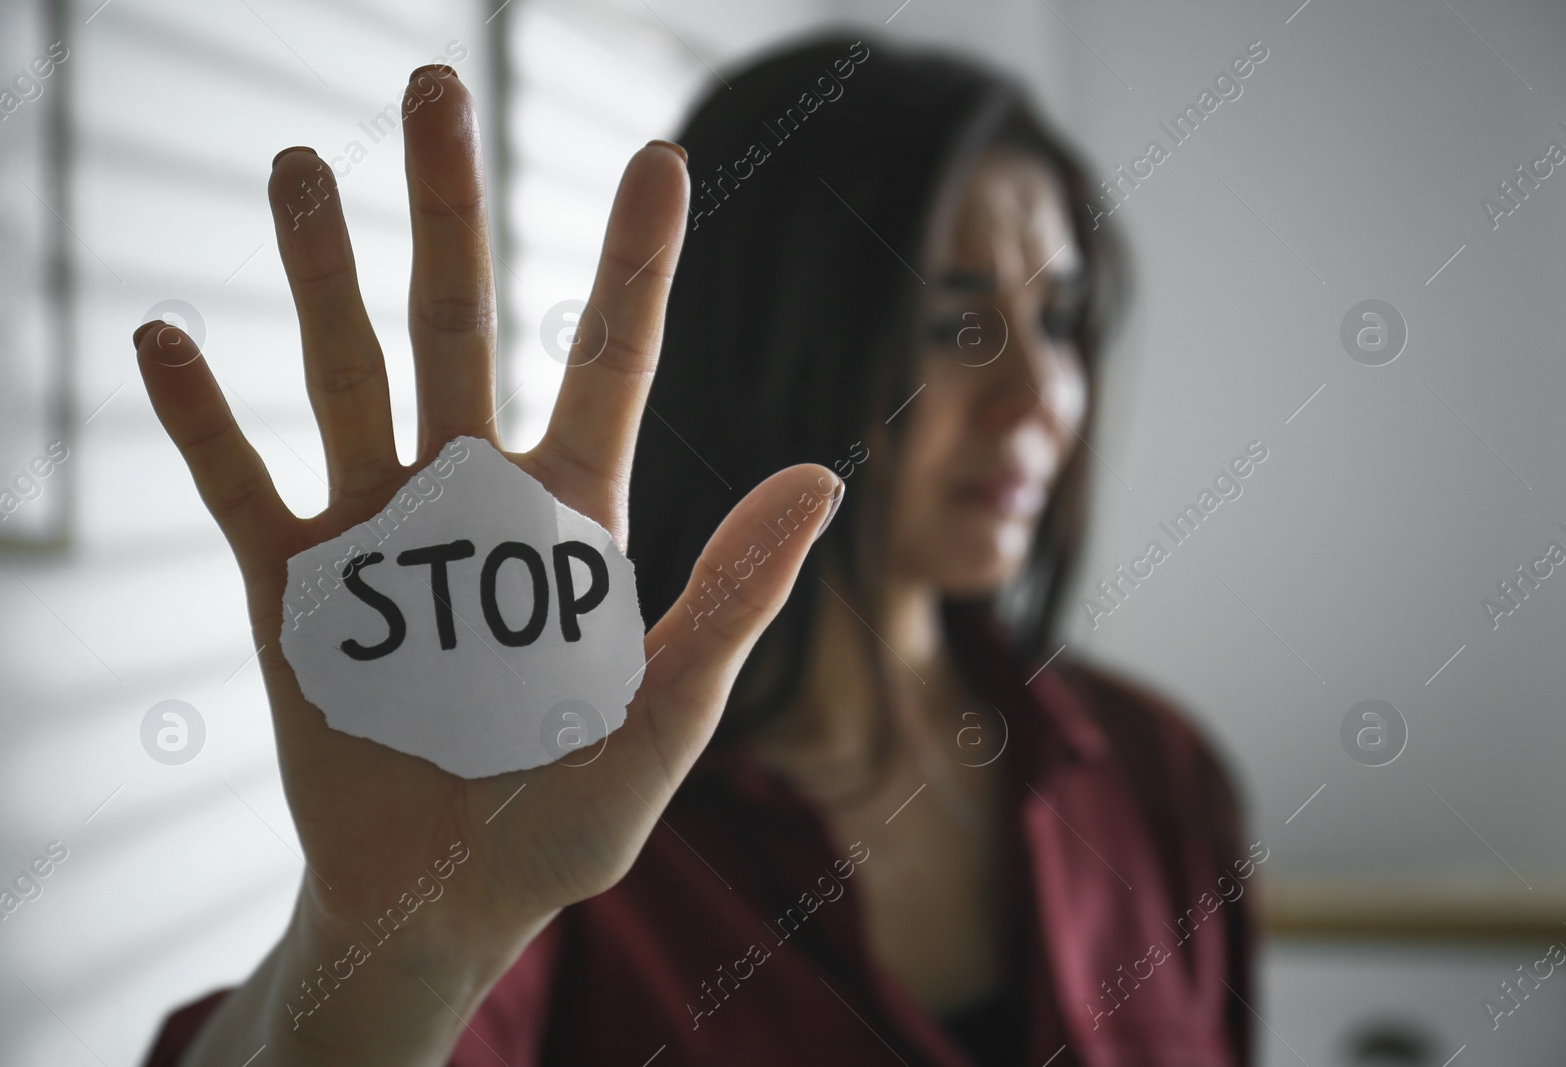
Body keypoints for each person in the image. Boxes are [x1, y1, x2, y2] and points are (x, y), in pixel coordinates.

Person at [139, 34, 1254, 1067]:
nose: (1037, 400)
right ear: (774, 338)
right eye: (955, 326)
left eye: (1060, 319)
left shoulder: (1156, 772)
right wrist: (390, 956)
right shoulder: (569, 799)